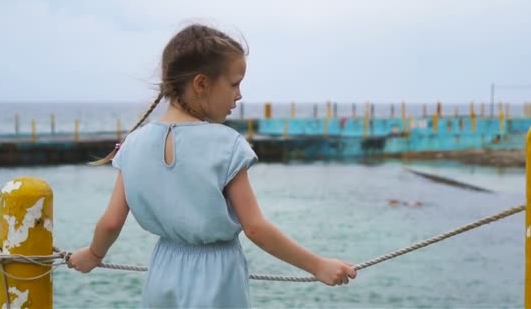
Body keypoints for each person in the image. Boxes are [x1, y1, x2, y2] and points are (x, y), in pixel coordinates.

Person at [68, 23, 357, 308]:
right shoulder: (226, 145)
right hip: (217, 277)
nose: (240, 95)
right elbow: (255, 228)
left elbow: (111, 222)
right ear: (201, 84)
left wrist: (93, 255)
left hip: (163, 271)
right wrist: (317, 265)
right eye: (234, 83)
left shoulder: (133, 144)